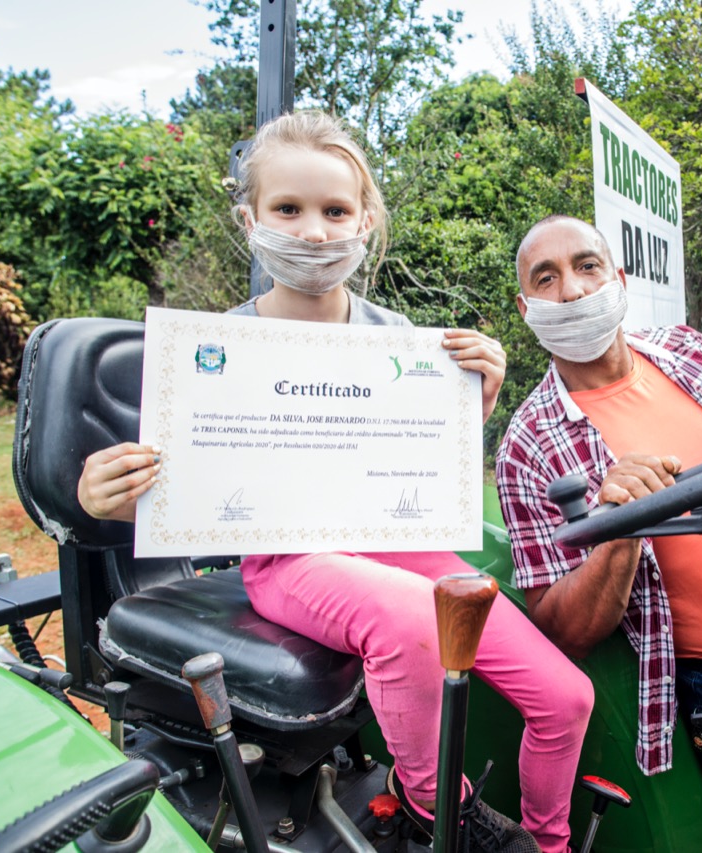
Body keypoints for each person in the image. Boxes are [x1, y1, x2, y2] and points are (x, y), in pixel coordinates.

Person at [76, 111, 592, 853]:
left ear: (366, 219)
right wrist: (109, 489)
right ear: (251, 219)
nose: (314, 232)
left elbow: (420, 470)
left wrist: (470, 401)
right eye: (289, 208)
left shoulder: (403, 340)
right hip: (287, 558)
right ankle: (434, 805)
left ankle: (548, 843)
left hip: (395, 544)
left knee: (566, 696)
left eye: (335, 211)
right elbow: (168, 476)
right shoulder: (214, 350)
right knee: (414, 619)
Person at [495, 215, 702, 853]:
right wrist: (619, 532)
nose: (572, 290)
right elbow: (562, 629)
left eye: (586, 266)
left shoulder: (689, 351)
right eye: (547, 278)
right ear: (526, 307)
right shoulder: (527, 446)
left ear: (618, 278)